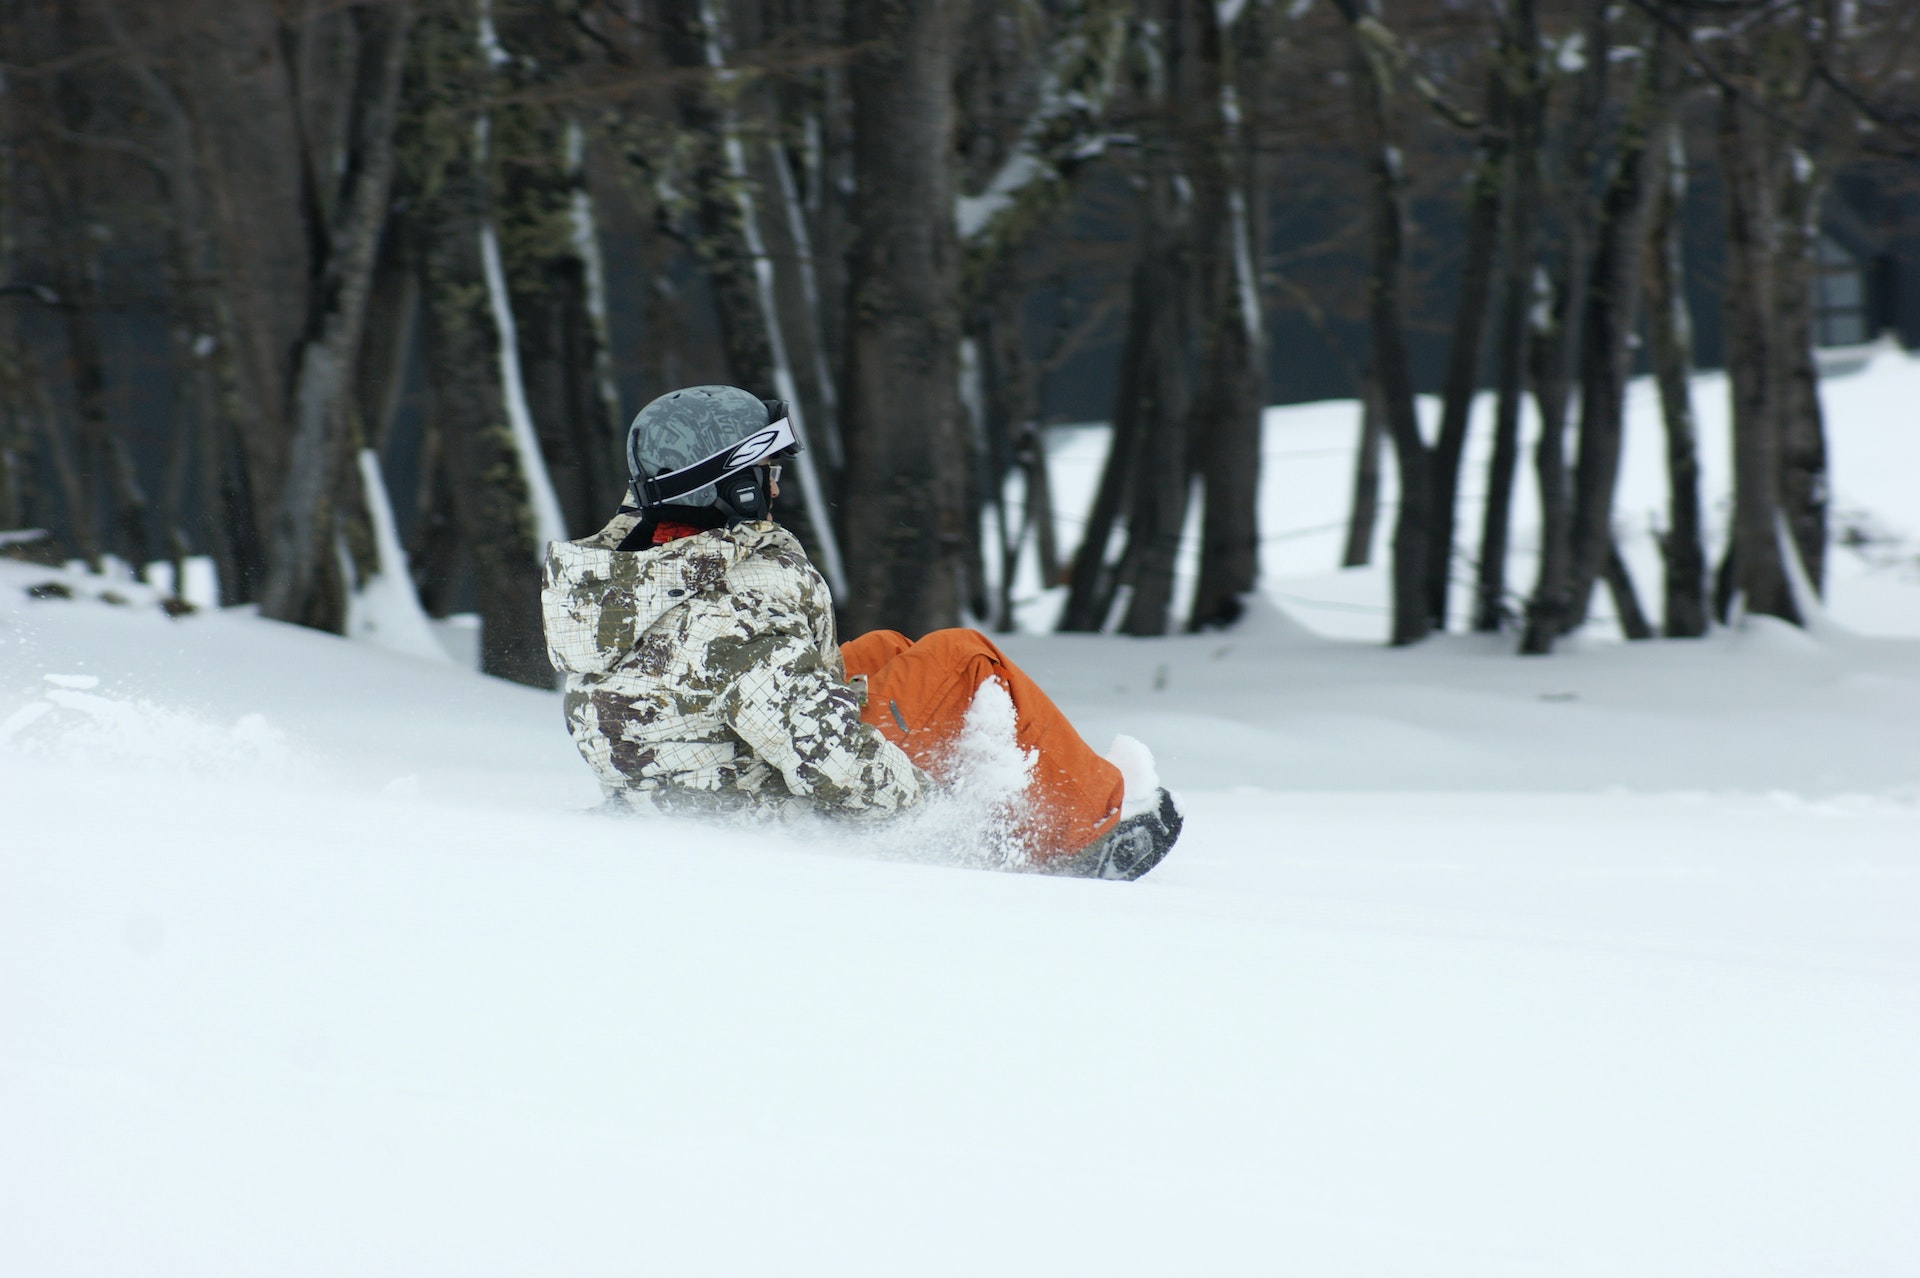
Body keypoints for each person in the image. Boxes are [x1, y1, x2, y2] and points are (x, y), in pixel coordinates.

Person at [540, 384, 1181, 879]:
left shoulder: (633, 576)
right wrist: (933, 821)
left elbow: (754, 692)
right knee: (964, 659)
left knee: (882, 651)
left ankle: (1013, 794)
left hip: (707, 768)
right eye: (766, 471)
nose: (776, 483)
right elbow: (825, 755)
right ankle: (1089, 836)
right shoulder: (732, 619)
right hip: (766, 811)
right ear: (732, 490)